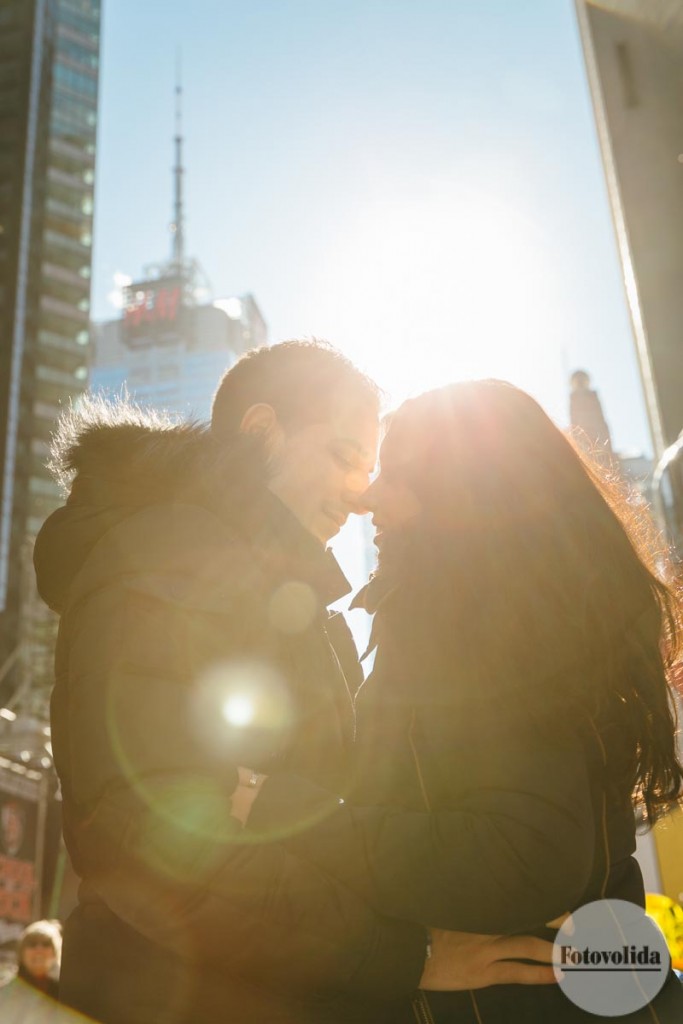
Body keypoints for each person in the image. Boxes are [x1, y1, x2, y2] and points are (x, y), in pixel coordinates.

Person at [33, 345, 555, 1024]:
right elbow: (162, 846)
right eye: (341, 456)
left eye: (367, 469)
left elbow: (337, 814)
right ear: (259, 430)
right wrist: (403, 955)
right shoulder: (166, 562)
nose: (360, 492)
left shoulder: (289, 600)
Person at [238, 380, 683, 1022]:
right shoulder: (519, 626)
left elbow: (527, 854)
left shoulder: (477, 633)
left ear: (459, 499)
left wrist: (280, 806)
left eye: (394, 476)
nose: (368, 498)